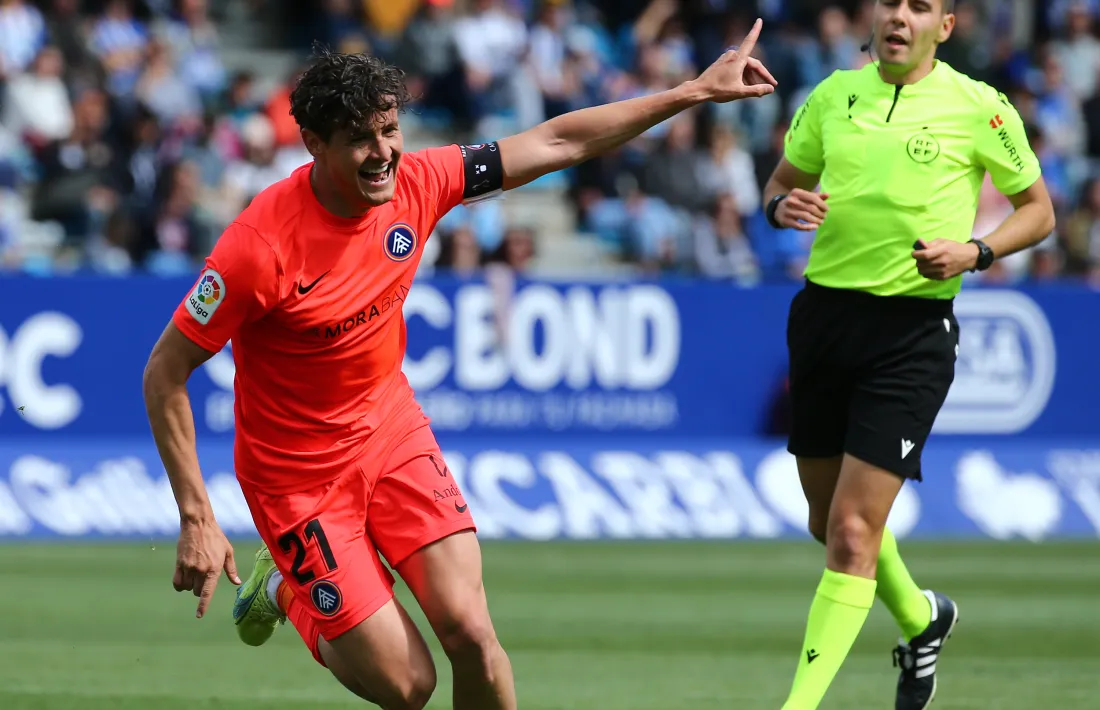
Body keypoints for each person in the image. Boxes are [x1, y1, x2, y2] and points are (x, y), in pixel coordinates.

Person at [141, 21, 777, 710]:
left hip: (391, 436)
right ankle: (285, 590)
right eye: (360, 138)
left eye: (389, 129)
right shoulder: (258, 248)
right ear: (314, 144)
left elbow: (557, 141)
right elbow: (164, 372)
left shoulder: (420, 180)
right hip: (299, 486)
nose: (383, 152)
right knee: (409, 688)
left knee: (473, 635)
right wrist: (198, 517)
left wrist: (688, 93)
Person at [761, 2, 1055, 709]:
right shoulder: (833, 95)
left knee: (852, 535)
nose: (898, 15)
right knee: (826, 521)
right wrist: (781, 209)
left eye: (919, 6)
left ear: (944, 27)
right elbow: (778, 186)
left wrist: (976, 251)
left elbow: (1038, 210)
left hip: (912, 334)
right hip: (824, 320)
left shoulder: (979, 106)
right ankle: (924, 620)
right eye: (889, 2)